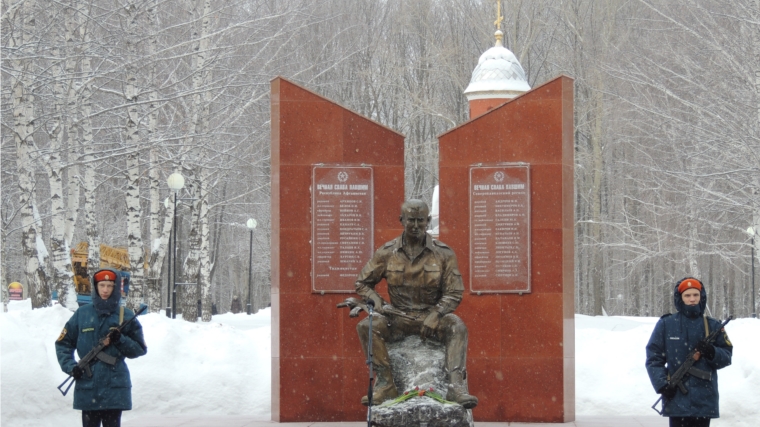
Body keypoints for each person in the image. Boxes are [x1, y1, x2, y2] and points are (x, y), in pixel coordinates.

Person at [350, 199, 477, 408]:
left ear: (428, 221)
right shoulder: (387, 253)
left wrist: (436, 315)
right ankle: (385, 384)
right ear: (402, 220)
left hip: (432, 318)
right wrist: (378, 303)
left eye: (420, 221)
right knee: (367, 326)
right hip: (397, 319)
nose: (416, 226)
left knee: (457, 326)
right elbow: (362, 283)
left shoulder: (444, 253)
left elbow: (454, 291)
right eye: (411, 221)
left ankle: (456, 387)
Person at [56, 268, 147, 427]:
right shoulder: (82, 314)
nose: (105, 290)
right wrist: (71, 367)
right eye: (102, 285)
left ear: (116, 287)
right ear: (95, 287)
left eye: (110, 286)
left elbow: (139, 349)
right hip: (88, 385)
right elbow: (63, 343)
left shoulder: (124, 315)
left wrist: (120, 340)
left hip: (114, 387)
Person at [646, 277, 733, 427]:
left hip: (704, 400)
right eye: (687, 295)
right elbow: (654, 357)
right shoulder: (666, 324)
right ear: (680, 298)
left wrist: (711, 352)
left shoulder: (713, 325)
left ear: (701, 297)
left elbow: (726, 356)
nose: (692, 299)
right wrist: (662, 385)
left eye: (695, 295)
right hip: (676, 399)